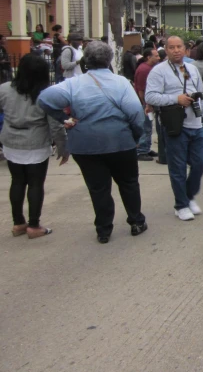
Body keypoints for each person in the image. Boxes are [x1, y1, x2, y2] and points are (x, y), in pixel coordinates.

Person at [38, 42, 147, 243]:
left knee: (98, 187)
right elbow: (136, 114)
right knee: (129, 182)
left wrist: (63, 118)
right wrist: (136, 137)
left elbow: (44, 99)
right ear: (109, 60)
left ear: (86, 61)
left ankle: (104, 229)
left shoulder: (74, 84)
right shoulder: (121, 82)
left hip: (85, 143)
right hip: (120, 140)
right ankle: (136, 221)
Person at [1, 54, 68, 239]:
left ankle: (18, 223)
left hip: (12, 140)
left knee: (17, 181)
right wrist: (63, 148)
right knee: (36, 183)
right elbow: (56, 124)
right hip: (36, 141)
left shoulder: (4, 89)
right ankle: (34, 225)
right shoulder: (46, 94)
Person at [145, 36, 203, 221]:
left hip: (196, 124)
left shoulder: (192, 69)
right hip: (175, 126)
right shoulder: (159, 71)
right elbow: (151, 97)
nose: (176, 50)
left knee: (199, 164)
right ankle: (181, 204)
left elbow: (201, 95)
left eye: (179, 47)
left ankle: (188, 196)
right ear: (166, 49)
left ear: (186, 49)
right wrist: (175, 99)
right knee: (178, 167)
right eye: (171, 47)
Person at [133, 48, 160, 161]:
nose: (158, 58)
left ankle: (146, 148)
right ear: (149, 57)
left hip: (147, 102)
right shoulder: (144, 70)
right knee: (146, 127)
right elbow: (141, 90)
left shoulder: (149, 68)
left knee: (148, 126)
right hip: (144, 103)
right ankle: (142, 150)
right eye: (156, 56)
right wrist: (146, 104)